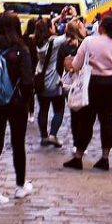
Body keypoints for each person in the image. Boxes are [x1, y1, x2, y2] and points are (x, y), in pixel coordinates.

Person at [62, 14, 112, 171]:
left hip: (92, 83)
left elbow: (77, 64)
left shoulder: (89, 41)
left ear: (101, 28)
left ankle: (78, 156)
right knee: (107, 120)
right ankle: (105, 157)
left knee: (87, 120)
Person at [0, 11, 36, 205]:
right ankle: (20, 186)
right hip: (16, 103)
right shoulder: (21, 49)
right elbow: (28, 81)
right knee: (18, 144)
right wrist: (28, 103)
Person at [35, 18, 67, 146]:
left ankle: (44, 136)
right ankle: (53, 135)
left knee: (43, 109)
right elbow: (69, 33)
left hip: (41, 80)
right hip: (54, 80)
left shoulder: (38, 42)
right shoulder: (54, 42)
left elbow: (45, 25)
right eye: (53, 26)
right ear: (49, 29)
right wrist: (74, 15)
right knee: (59, 109)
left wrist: (57, 18)